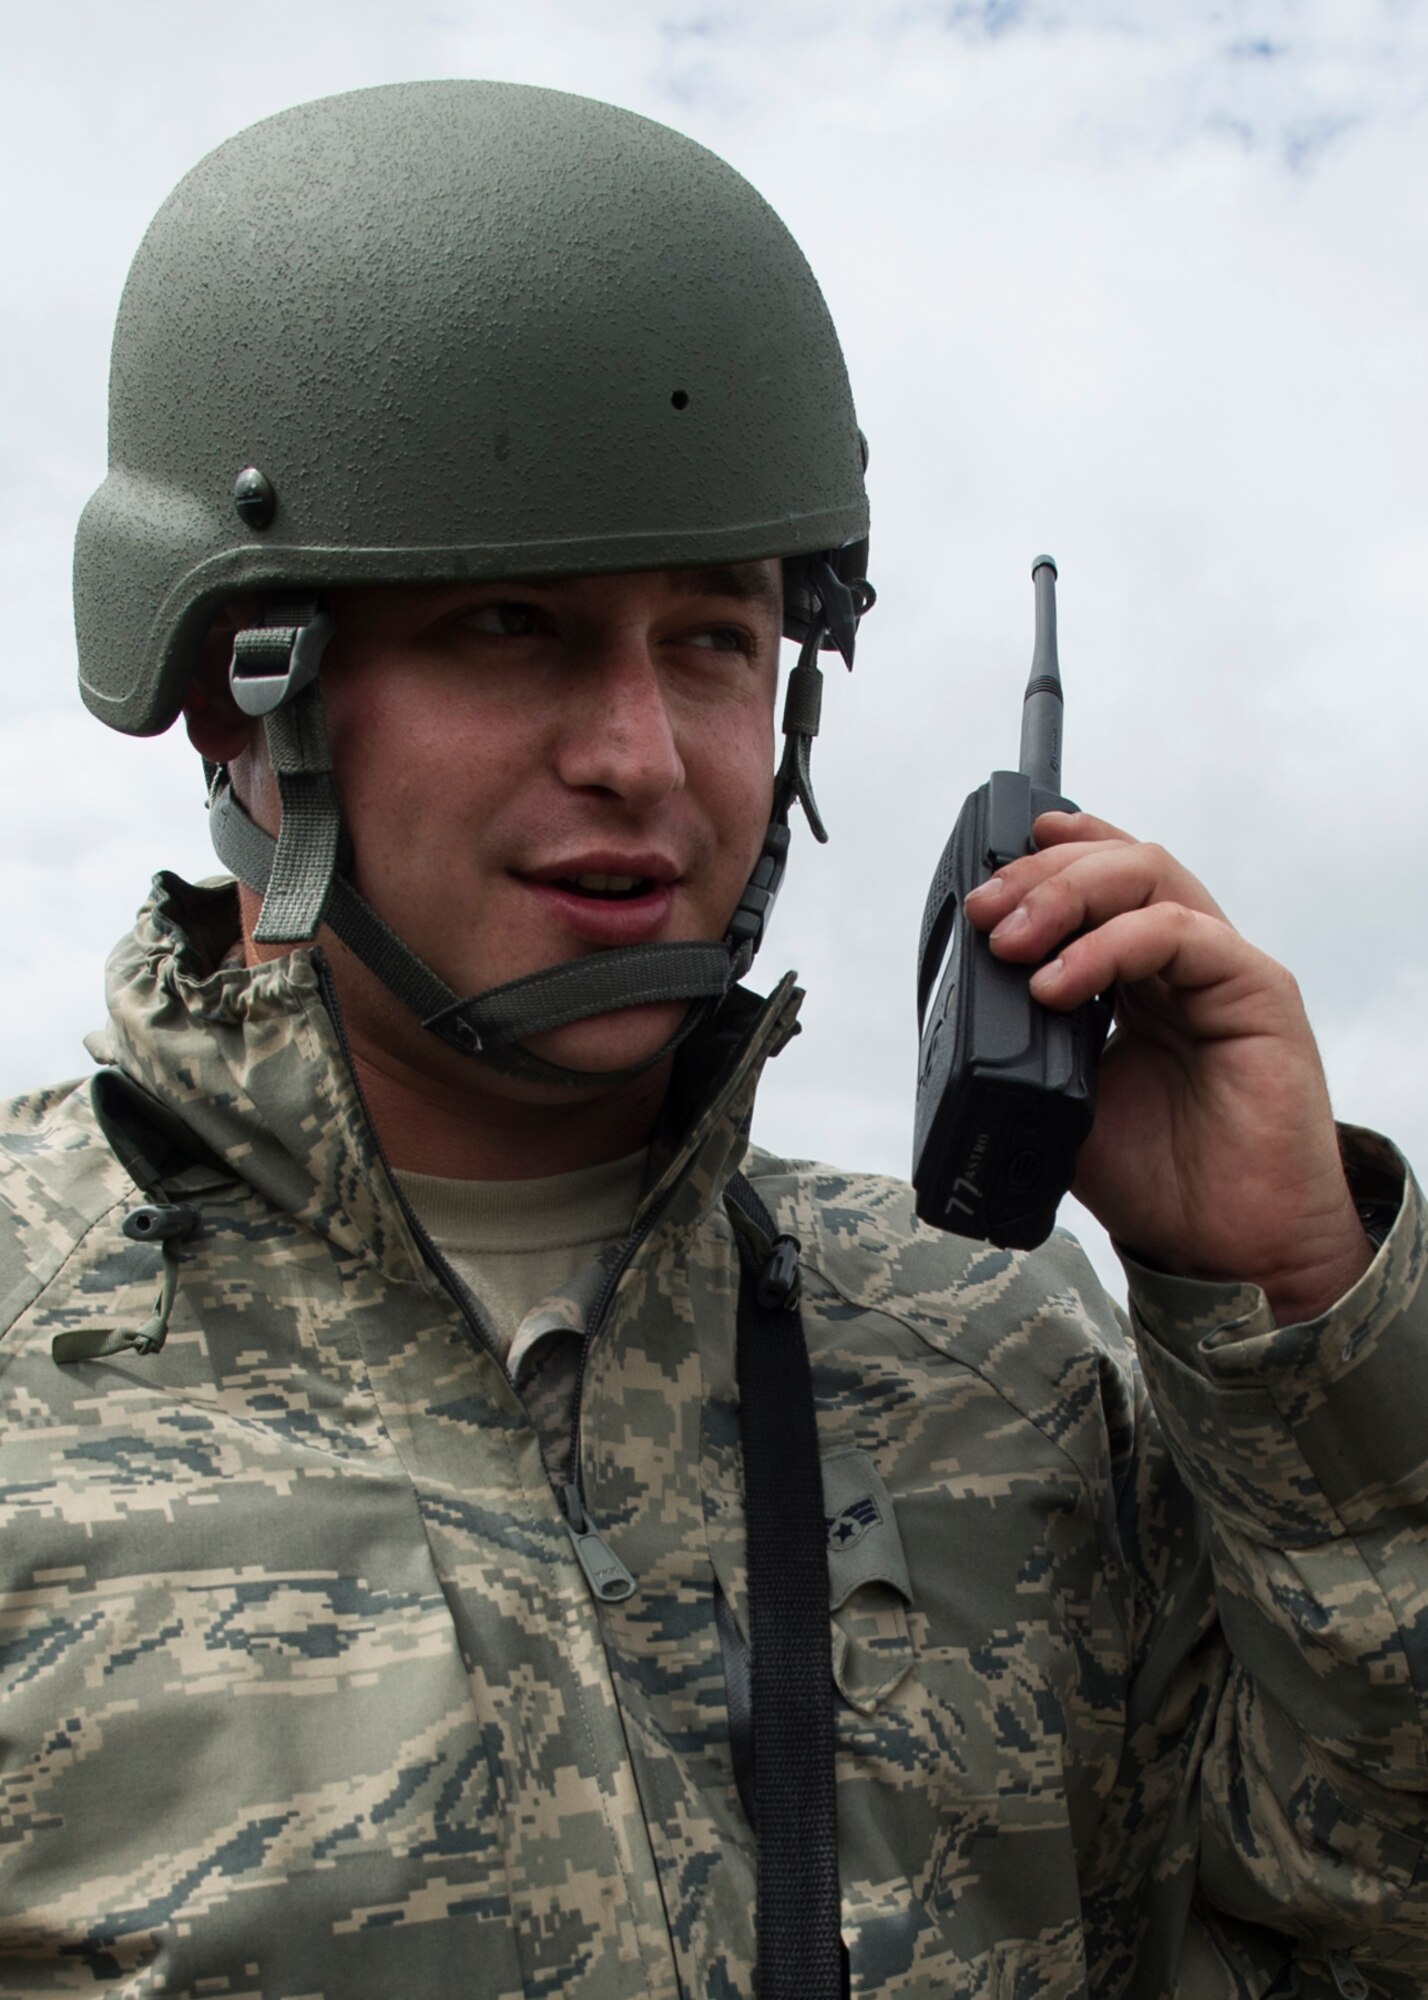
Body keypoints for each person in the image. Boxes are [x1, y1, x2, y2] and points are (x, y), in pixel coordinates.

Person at [0, 78, 1421, 2000]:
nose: (643, 759)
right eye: (512, 624)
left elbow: (1354, 1931)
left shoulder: (996, 1355)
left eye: (714, 638)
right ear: (231, 696)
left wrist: (1291, 1321)